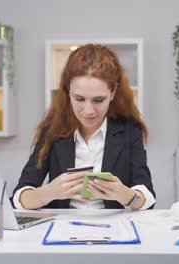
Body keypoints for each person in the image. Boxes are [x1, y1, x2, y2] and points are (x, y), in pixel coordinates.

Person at [12, 44, 155, 210]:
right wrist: (48, 193)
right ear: (67, 90)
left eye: (98, 100)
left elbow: (148, 198)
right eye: (79, 99)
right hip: (62, 227)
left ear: (113, 92)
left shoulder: (130, 129)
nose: (88, 111)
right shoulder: (53, 128)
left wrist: (126, 196)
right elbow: (19, 197)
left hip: (114, 227)